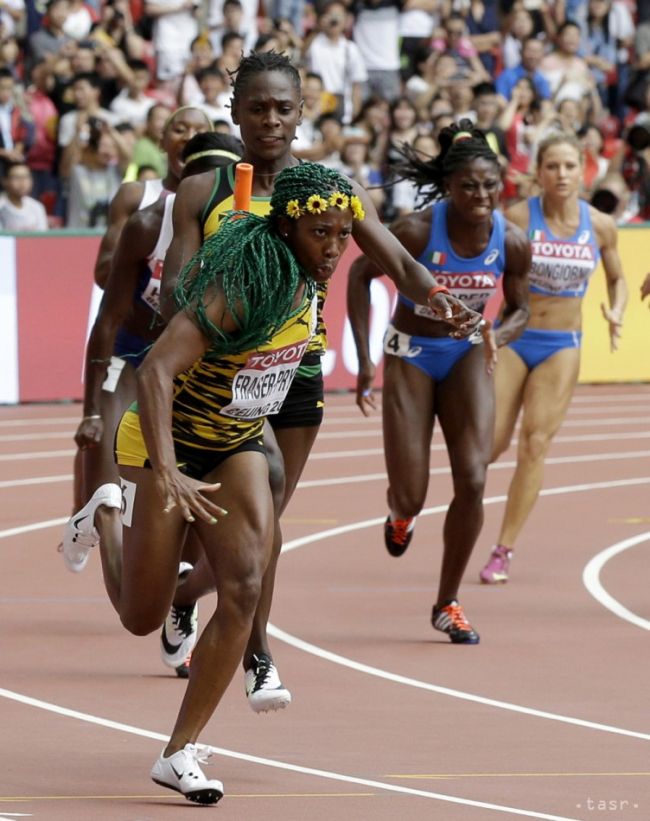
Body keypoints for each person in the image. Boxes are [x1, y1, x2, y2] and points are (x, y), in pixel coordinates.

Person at [160, 52, 483, 708]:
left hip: (294, 374)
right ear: (236, 113)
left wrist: (439, 295)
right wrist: (222, 297)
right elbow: (175, 285)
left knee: (267, 518)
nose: (271, 120)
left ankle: (215, 619)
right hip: (221, 378)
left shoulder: (329, 189)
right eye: (257, 108)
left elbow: (394, 257)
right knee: (253, 508)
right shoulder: (207, 190)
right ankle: (255, 648)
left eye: (283, 108)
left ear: (302, 111)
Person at [63, 162, 361, 804]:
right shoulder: (249, 283)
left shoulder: (312, 276)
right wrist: (166, 469)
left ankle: (179, 750)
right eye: (321, 234)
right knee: (140, 617)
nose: (334, 248)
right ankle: (106, 513)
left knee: (246, 585)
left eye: (342, 234)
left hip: (235, 442)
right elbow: (156, 371)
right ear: (288, 228)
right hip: (162, 442)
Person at [347, 120, 531, 644]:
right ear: (450, 186)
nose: (482, 195)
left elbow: (522, 307)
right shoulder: (419, 230)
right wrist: (364, 359)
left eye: (491, 185)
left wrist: (499, 331)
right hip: (411, 355)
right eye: (470, 185)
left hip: (468, 353)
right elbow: (361, 275)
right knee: (413, 492)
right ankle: (400, 513)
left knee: (473, 478)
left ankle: (447, 602)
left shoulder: (511, 241)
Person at [479, 131, 628, 585]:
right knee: (491, 445)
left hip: (562, 343)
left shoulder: (600, 224)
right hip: (516, 337)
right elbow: (484, 267)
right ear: (539, 173)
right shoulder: (519, 218)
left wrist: (616, 311)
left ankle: (503, 549)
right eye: (552, 167)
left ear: (582, 170)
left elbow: (617, 278)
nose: (561, 174)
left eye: (569, 166)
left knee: (535, 443)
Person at [94, 105, 211, 288]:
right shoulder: (134, 195)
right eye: (179, 130)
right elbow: (102, 274)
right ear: (161, 142)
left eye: (199, 132)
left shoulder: (223, 203)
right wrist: (146, 245)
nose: (189, 137)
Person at [0, 161, 49, 230]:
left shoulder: (37, 207)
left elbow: (43, 237)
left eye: (26, 177)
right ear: (5, 181)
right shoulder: (1, 207)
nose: (22, 182)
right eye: (16, 177)